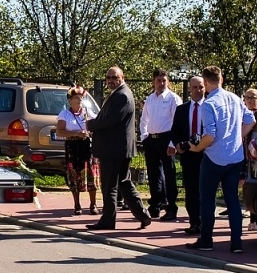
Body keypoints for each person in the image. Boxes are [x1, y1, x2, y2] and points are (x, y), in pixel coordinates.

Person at [190, 66, 255, 253]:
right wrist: (238, 136)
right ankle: (236, 242)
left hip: (214, 156)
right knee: (232, 199)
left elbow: (210, 135)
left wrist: (197, 148)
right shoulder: (235, 98)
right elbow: (250, 120)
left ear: (206, 82)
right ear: (222, 79)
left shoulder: (209, 104)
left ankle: (206, 239)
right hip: (235, 156)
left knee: (207, 199)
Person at [86, 66, 149, 231]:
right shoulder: (119, 94)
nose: (111, 81)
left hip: (114, 149)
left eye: (115, 77)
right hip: (117, 148)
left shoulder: (122, 95)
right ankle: (143, 215)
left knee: (109, 186)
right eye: (109, 78)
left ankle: (108, 219)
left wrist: (90, 124)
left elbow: (110, 120)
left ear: (123, 77)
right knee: (123, 182)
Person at [138, 68, 181, 221]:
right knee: (154, 173)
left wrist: (172, 142)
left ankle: (171, 207)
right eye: (159, 80)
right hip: (152, 139)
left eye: (164, 80)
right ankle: (155, 205)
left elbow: (178, 122)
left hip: (166, 138)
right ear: (153, 82)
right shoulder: (150, 99)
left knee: (169, 173)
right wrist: (144, 137)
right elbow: (144, 120)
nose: (162, 83)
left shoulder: (173, 99)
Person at [167, 76, 206, 235]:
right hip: (188, 154)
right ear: (190, 89)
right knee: (191, 190)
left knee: (204, 189)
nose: (198, 90)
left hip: (207, 154)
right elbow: (174, 131)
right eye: (195, 87)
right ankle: (194, 222)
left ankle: (205, 222)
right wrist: (177, 145)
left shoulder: (210, 107)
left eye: (201, 87)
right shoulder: (182, 109)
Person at [56, 86, 100, 215]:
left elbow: (96, 124)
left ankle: (93, 204)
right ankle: (77, 205)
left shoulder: (87, 111)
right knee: (74, 175)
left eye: (81, 97)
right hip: (73, 147)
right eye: (76, 97)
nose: (79, 100)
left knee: (91, 174)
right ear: (70, 100)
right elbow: (60, 131)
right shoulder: (64, 114)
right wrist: (76, 133)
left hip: (87, 147)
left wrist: (90, 132)